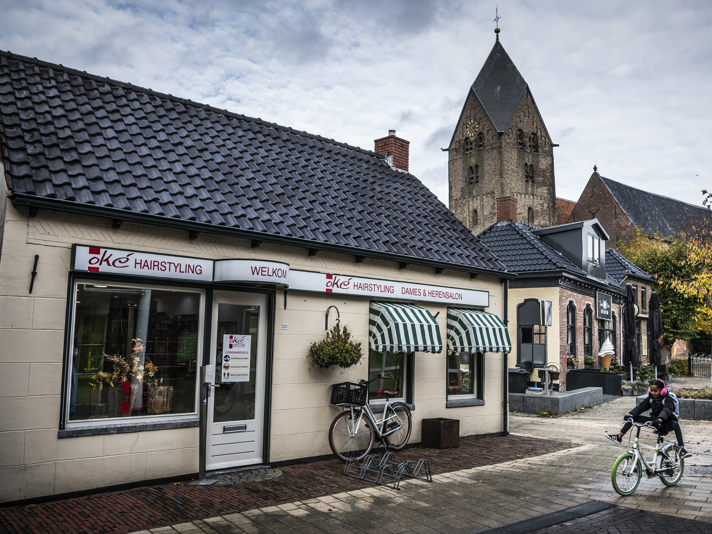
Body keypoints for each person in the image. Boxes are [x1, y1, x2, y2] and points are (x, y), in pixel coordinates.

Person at [606, 379, 691, 459]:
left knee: (676, 424)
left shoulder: (668, 399)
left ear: (662, 390)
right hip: (655, 421)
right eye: (651, 390)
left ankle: (682, 449)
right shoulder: (651, 399)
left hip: (666, 423)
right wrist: (632, 414)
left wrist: (660, 419)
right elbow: (641, 407)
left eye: (655, 391)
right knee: (632, 418)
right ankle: (619, 437)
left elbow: (667, 410)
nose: (653, 393)